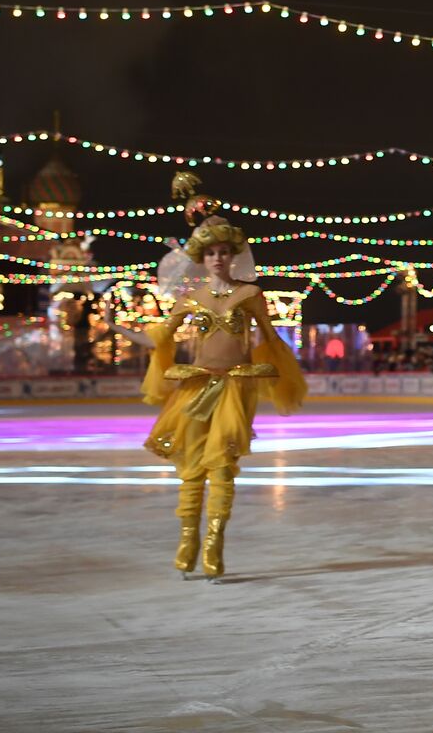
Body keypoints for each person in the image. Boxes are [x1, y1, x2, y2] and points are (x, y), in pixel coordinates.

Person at [102, 173, 305, 580]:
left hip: (234, 388)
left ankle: (213, 543)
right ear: (201, 257)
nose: (217, 258)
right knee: (192, 467)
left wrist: (280, 379)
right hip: (194, 386)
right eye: (210, 252)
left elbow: (271, 341)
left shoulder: (250, 295)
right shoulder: (190, 299)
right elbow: (156, 337)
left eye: (224, 251)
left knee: (223, 466)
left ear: (233, 255)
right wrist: (114, 326)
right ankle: (187, 540)